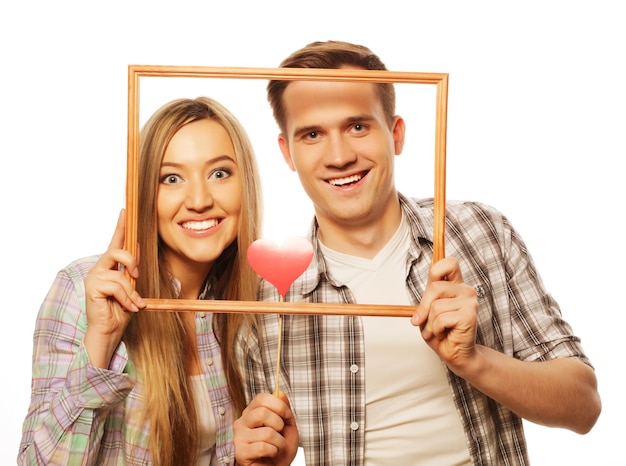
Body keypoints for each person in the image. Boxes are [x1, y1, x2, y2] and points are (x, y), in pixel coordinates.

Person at [233, 41, 602, 465]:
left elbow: (584, 406)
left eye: (357, 126)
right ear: (288, 153)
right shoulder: (266, 300)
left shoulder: (481, 232)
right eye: (313, 134)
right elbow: (265, 448)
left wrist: (474, 360)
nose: (339, 156)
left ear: (396, 134)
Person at [18, 96, 265, 466]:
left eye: (219, 173)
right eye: (171, 178)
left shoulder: (258, 306)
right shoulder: (81, 289)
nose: (198, 199)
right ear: (145, 194)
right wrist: (101, 340)